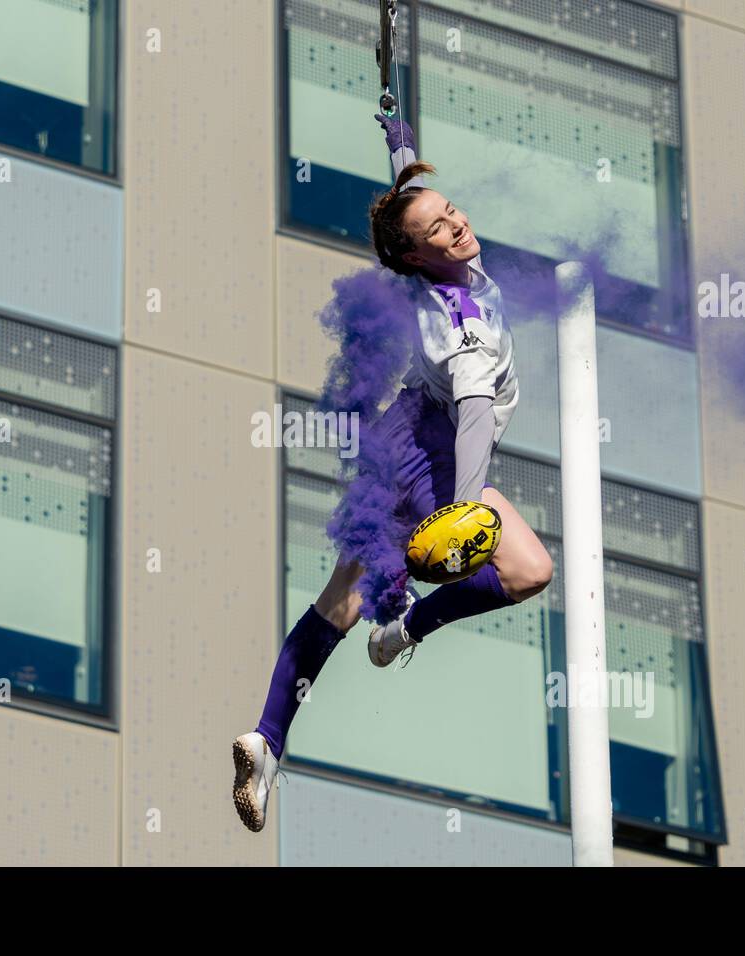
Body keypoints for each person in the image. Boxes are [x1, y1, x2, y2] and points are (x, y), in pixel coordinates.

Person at [232, 116, 554, 833]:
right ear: (416, 257)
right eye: (439, 229)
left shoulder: (432, 267)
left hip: (397, 439)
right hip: (432, 450)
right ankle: (403, 632)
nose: (456, 226)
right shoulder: (459, 323)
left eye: (451, 212)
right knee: (529, 570)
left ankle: (267, 739)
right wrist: (466, 510)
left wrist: (402, 151)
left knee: (340, 601)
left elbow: (405, 204)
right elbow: (474, 414)